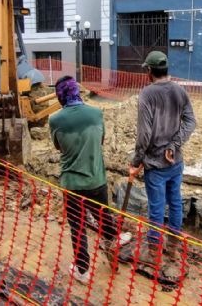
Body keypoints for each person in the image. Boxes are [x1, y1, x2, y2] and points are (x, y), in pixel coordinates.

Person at [49, 76, 131, 284]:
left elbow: (58, 146)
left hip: (72, 184)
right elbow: (101, 140)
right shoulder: (96, 113)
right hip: (96, 180)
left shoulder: (55, 119)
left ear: (60, 96)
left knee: (77, 227)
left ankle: (82, 270)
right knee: (103, 213)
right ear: (77, 91)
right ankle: (112, 239)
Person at [129, 51, 196, 270]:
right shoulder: (180, 90)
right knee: (175, 202)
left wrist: (136, 161)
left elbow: (144, 135)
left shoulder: (147, 94)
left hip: (155, 165)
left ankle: (154, 253)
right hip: (175, 162)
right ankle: (173, 248)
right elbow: (190, 122)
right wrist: (175, 145)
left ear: (149, 70)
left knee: (156, 209)